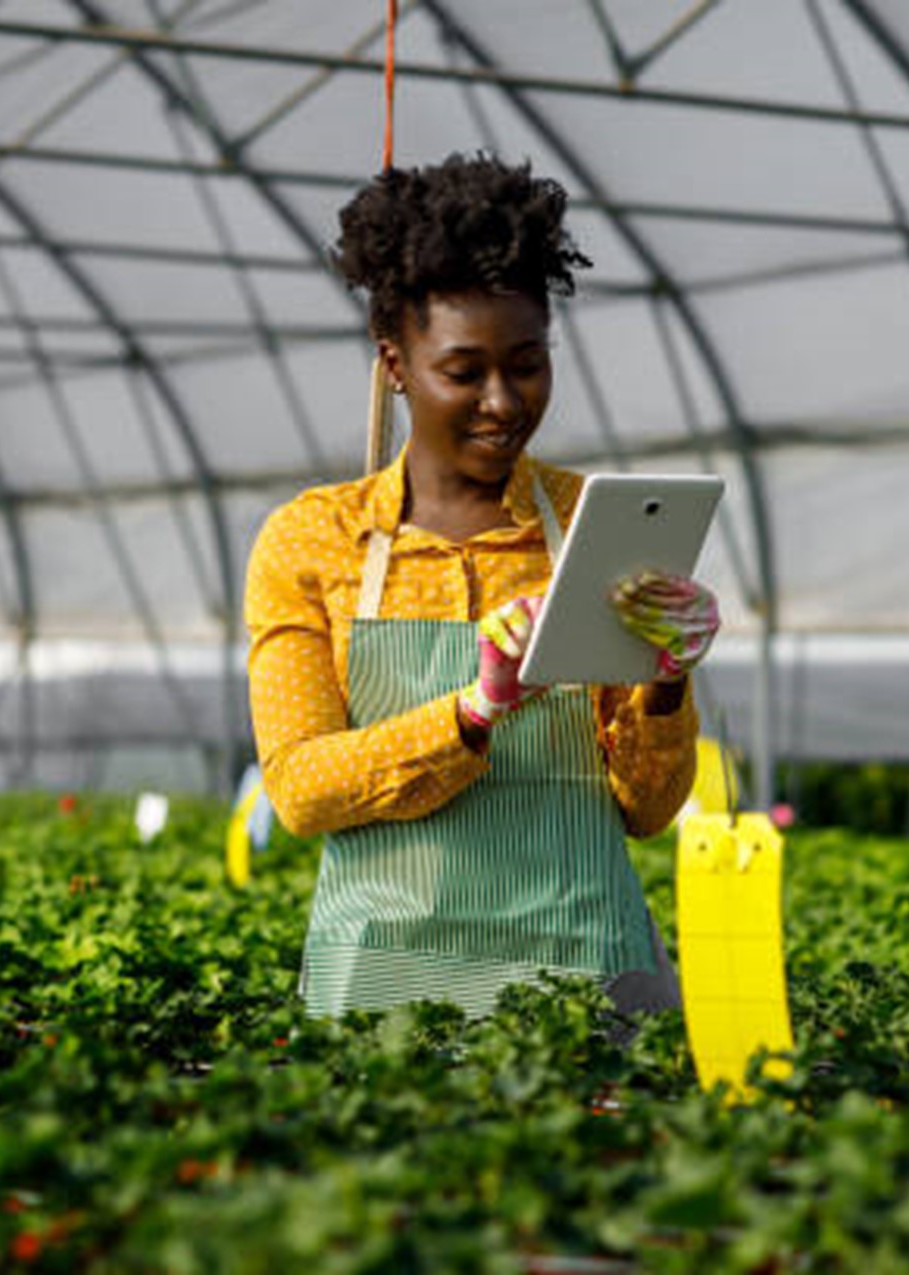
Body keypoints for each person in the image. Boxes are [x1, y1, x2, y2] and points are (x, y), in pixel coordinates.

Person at [244, 152, 722, 1021]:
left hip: (583, 969)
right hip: (387, 980)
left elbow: (647, 810)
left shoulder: (589, 523)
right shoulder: (314, 539)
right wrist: (472, 711)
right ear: (395, 364)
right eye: (463, 373)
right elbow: (301, 790)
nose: (502, 401)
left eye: (526, 364)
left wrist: (665, 682)